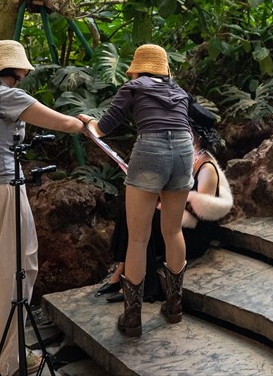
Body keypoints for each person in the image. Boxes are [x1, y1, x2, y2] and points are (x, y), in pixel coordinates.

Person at [0, 40, 88, 375]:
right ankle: (7, 361)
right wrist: (84, 121)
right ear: (18, 69)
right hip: (1, 194)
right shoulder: (10, 97)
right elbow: (67, 125)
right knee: (12, 274)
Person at [78, 44, 193, 337]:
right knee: (173, 231)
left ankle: (132, 318)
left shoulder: (133, 87)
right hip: (184, 150)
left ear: (137, 69)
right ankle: (174, 306)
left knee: (139, 238)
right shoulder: (179, 92)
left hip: (151, 151)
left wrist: (87, 121)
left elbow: (102, 128)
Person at [98, 110, 232, 303]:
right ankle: (121, 268)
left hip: (192, 234)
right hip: (173, 218)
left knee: (146, 219)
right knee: (129, 208)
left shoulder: (207, 168)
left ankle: (145, 285)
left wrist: (165, 202)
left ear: (197, 137)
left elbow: (199, 212)